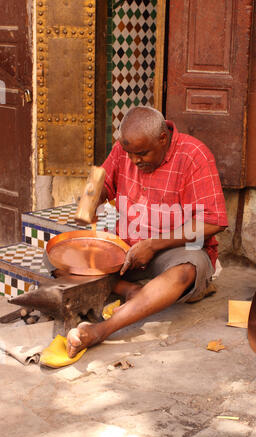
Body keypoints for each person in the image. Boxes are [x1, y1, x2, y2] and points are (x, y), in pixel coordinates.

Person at [66, 106, 228, 358]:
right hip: (127, 249)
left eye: (141, 154)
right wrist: (90, 201)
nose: (134, 161)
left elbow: (213, 221)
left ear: (162, 139)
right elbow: (102, 181)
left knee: (188, 269)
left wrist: (153, 245)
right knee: (58, 254)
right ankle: (129, 290)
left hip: (172, 253)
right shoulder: (125, 149)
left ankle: (101, 330)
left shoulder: (194, 155)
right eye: (129, 154)